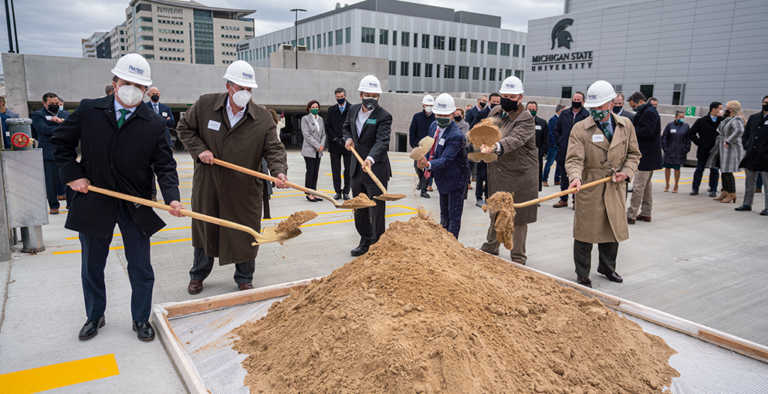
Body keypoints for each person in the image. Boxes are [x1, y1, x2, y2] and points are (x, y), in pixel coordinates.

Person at [51, 53, 184, 342]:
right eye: (127, 82)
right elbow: (61, 143)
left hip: (135, 202)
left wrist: (172, 198)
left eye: (139, 85)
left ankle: (140, 318)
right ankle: (95, 315)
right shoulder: (89, 110)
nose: (132, 89)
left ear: (147, 89)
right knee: (92, 265)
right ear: (114, 82)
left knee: (140, 265)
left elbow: (165, 165)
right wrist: (73, 174)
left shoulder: (153, 122)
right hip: (94, 198)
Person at [177, 60, 289, 294]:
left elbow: (274, 149)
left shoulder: (261, 117)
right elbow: (184, 128)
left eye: (249, 90)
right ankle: (198, 275)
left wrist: (279, 170)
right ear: (229, 86)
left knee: (246, 232)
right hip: (209, 182)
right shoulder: (206, 105)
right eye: (240, 88)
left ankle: (245, 277)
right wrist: (200, 150)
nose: (245, 94)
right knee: (206, 228)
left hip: (244, 187)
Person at [565, 80, 641, 288]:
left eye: (599, 107)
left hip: (615, 184)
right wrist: (575, 177)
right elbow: (574, 159)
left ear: (611, 103)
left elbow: (634, 154)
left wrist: (626, 173)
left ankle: (607, 267)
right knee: (585, 231)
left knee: (612, 228)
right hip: (590, 184)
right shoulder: (580, 128)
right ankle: (582, 272)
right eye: (592, 108)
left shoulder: (626, 126)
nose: (596, 111)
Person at [478, 77, 538, 265]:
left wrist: (494, 147)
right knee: (496, 209)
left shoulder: (526, 118)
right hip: (498, 171)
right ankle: (491, 246)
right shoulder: (497, 111)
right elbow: (486, 128)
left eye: (511, 96)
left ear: (520, 98)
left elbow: (515, 139)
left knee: (517, 216)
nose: (506, 99)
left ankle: (518, 256)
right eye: (504, 95)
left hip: (520, 174)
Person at [342, 75, 393, 256]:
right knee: (360, 209)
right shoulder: (353, 110)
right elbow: (347, 127)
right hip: (357, 169)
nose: (371, 98)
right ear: (360, 94)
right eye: (367, 94)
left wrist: (370, 159)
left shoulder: (384, 116)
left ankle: (377, 245)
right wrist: (347, 138)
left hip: (375, 169)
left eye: (375, 95)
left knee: (376, 211)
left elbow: (382, 141)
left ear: (379, 97)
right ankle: (364, 241)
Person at [416, 94, 470, 238]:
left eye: (445, 115)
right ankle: (443, 243)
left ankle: (451, 246)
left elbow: (446, 159)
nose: (440, 117)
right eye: (438, 114)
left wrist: (428, 164)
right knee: (444, 214)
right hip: (441, 176)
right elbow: (430, 147)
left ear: (452, 115)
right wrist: (423, 158)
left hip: (456, 178)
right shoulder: (434, 126)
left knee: (453, 216)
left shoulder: (456, 135)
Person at [31, 92, 70, 214]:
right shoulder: (38, 115)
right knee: (51, 181)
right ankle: (54, 206)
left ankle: (71, 203)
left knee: (69, 178)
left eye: (56, 103)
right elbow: (44, 130)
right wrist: (62, 125)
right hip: (49, 152)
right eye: (51, 104)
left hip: (66, 151)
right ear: (44, 103)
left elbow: (72, 128)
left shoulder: (66, 114)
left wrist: (61, 122)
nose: (55, 105)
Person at [626, 91, 662, 224]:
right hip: (648, 154)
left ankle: (631, 214)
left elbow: (648, 131)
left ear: (641, 102)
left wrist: (631, 130)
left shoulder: (649, 112)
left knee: (638, 185)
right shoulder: (647, 111)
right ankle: (646, 213)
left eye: (634, 106)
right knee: (646, 186)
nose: (633, 109)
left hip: (646, 155)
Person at [553, 91, 589, 208]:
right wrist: (561, 142)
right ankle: (563, 198)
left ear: (583, 102)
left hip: (579, 151)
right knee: (563, 175)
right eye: (575, 99)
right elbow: (556, 130)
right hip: (564, 150)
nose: (576, 102)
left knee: (577, 175)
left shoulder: (587, 115)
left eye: (579, 100)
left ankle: (575, 200)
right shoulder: (564, 114)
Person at [706, 100, 745, 204]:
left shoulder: (737, 119)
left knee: (728, 171)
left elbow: (739, 130)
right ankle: (725, 191)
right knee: (723, 170)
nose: (724, 109)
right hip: (724, 147)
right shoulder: (728, 119)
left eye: (726, 107)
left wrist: (729, 140)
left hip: (730, 147)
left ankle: (732, 193)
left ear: (731, 109)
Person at [736, 95, 768, 215]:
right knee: (750, 181)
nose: (766, 104)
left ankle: (767, 207)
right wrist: (747, 146)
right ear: (761, 103)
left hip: (765, 156)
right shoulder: (753, 117)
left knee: (767, 183)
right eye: (765, 102)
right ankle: (747, 204)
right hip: (751, 154)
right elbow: (746, 134)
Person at [689, 102, 723, 196]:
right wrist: (700, 143)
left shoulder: (722, 121)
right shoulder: (702, 121)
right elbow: (691, 133)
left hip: (716, 151)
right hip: (704, 150)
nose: (721, 111)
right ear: (713, 109)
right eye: (720, 109)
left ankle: (713, 189)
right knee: (699, 169)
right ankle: (695, 188)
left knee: (714, 170)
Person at [325, 87, 352, 200]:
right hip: (335, 144)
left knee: (348, 169)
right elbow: (328, 126)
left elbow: (353, 126)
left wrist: (346, 138)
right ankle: (337, 191)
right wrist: (335, 139)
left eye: (342, 97)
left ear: (345, 96)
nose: (340, 99)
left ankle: (346, 192)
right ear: (335, 97)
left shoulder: (352, 108)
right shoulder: (331, 110)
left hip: (348, 145)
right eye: (338, 97)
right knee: (335, 169)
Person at [409, 95, 435, 198]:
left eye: (431, 105)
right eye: (427, 105)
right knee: (417, 167)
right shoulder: (417, 116)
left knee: (427, 169)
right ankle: (421, 180)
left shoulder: (435, 118)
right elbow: (412, 131)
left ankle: (424, 190)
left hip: (430, 147)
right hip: (419, 147)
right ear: (423, 106)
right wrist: (413, 145)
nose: (429, 107)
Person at [301, 100, 326, 202]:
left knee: (316, 172)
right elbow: (306, 134)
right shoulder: (305, 119)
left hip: (318, 150)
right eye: (313, 107)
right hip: (309, 149)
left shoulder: (320, 119)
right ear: (309, 108)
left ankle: (314, 192)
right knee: (310, 171)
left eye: (316, 107)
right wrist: (316, 145)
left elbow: (324, 134)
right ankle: (308, 193)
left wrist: (321, 146)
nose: (315, 109)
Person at [661, 111, 691, 193]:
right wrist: (665, 148)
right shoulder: (670, 125)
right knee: (667, 168)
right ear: (675, 117)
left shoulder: (686, 126)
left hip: (680, 151)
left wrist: (686, 148)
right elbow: (664, 137)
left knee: (677, 168)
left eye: (683, 117)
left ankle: (676, 185)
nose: (681, 119)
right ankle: (667, 184)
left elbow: (688, 138)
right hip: (670, 151)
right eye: (680, 117)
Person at [527, 101, 549, 192]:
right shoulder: (520, 122)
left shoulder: (542, 123)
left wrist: (541, 153)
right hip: (524, 155)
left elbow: (546, 140)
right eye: (529, 110)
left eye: (533, 110)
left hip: (537, 155)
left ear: (537, 110)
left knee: (536, 176)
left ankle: (535, 196)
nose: (532, 111)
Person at [542, 104, 565, 187]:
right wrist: (554, 143)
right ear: (560, 111)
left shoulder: (562, 119)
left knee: (559, 163)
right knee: (549, 163)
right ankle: (544, 179)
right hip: (554, 145)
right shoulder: (553, 119)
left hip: (560, 145)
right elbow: (550, 132)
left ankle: (557, 179)